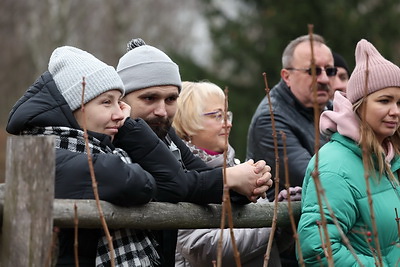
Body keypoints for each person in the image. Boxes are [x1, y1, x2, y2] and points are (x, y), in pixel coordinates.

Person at [5, 46, 198, 266]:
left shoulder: (105, 149)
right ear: (72, 106)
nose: (120, 115)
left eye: (119, 102)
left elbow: (174, 183)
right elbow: (130, 180)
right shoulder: (44, 153)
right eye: (106, 102)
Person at [117, 38, 273, 266]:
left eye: (170, 99)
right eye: (149, 98)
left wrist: (249, 182)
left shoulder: (168, 138)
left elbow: (200, 175)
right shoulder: (117, 139)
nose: (161, 111)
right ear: (122, 101)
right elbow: (178, 183)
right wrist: (231, 178)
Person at [297, 39, 400, 265]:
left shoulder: (390, 158)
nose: (395, 111)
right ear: (358, 105)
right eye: (384, 101)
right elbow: (317, 250)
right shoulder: (333, 166)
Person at [172, 81, 284, 267]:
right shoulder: (184, 176)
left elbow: (271, 248)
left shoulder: (238, 167)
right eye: (218, 116)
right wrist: (275, 222)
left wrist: (286, 217)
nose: (229, 123)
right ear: (187, 121)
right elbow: (205, 250)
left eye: (227, 114)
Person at [246, 33, 335, 201]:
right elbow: (317, 179)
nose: (324, 79)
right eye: (313, 70)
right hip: (287, 225)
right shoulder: (270, 120)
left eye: (330, 70)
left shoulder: (333, 110)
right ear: (287, 76)